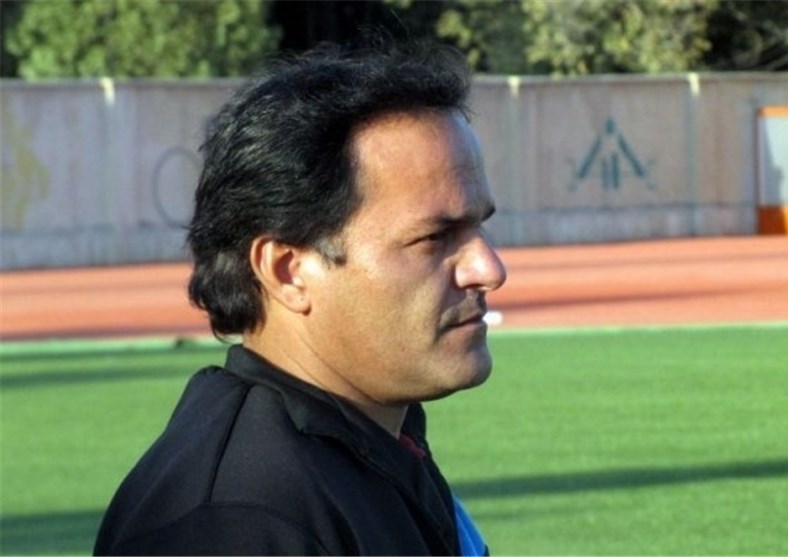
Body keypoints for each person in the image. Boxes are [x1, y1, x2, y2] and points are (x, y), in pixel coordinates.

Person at [94, 39, 506, 556]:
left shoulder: (373, 444)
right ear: (287, 271)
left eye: (479, 228)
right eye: (432, 238)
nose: (489, 269)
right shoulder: (238, 522)